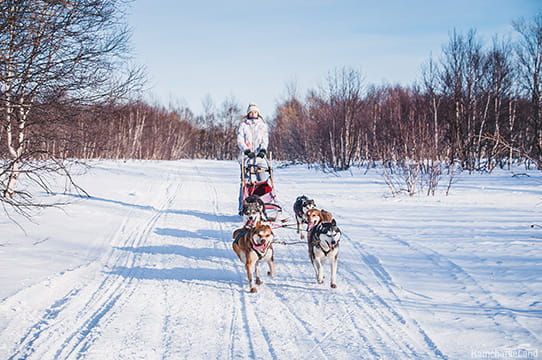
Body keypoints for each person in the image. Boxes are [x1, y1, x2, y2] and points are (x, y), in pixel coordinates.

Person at [237, 102, 269, 212]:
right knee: (245, 183)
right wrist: (246, 150)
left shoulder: (262, 125)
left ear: (258, 113)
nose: (253, 113)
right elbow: (240, 140)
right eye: (251, 112)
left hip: (259, 156)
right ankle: (243, 207)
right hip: (246, 156)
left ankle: (263, 204)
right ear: (248, 113)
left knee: (263, 180)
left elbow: (265, 139)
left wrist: (263, 150)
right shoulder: (243, 125)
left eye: (255, 112)